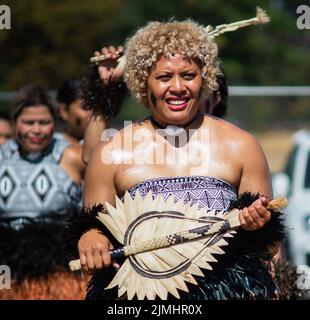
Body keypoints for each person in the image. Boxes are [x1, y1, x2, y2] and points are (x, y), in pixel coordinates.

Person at [66, 20, 284, 300]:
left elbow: (270, 247)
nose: (178, 87)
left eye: (189, 75)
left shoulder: (241, 146)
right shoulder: (112, 154)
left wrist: (259, 226)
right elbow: (92, 227)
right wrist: (91, 239)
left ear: (205, 78)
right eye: (164, 77)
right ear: (144, 82)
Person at [0, 84, 87, 299]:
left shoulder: (72, 156)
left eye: (44, 122)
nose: (37, 130)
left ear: (54, 123)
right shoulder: (1, 157)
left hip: (62, 270)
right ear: (15, 124)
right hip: (7, 269)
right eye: (28, 122)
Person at [56, 78, 91, 144]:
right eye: (85, 107)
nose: (93, 114)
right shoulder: (51, 148)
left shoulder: (108, 145)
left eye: (96, 108)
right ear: (64, 111)